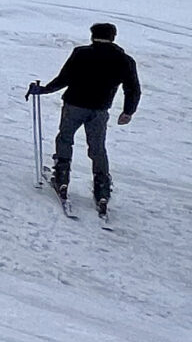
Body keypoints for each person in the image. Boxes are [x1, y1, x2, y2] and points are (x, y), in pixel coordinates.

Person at [31, 22, 142, 218]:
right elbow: (132, 88)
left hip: (74, 105)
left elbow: (63, 78)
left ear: (92, 36)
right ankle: (101, 187)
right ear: (113, 37)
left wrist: (43, 90)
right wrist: (128, 111)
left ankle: (62, 177)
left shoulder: (80, 53)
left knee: (65, 138)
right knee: (97, 147)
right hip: (99, 110)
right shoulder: (124, 60)